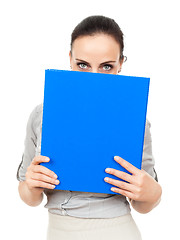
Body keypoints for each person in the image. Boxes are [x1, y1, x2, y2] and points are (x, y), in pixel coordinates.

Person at [17, 15, 162, 240]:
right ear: (70, 59)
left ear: (121, 64)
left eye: (106, 66)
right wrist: (32, 185)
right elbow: (29, 197)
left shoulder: (134, 120)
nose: (94, 77)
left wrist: (153, 193)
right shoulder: (42, 114)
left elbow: (143, 205)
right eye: (83, 64)